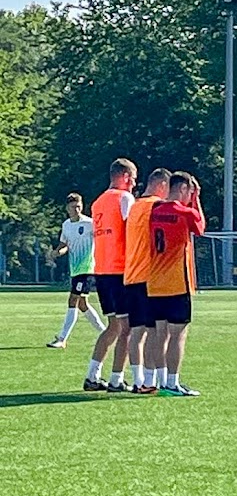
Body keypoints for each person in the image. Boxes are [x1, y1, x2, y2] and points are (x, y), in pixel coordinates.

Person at [147, 171, 206, 396]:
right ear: (183, 189)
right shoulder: (185, 212)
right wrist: (196, 200)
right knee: (178, 334)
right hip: (177, 283)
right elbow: (200, 228)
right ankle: (172, 382)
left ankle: (160, 380)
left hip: (154, 282)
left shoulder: (154, 211)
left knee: (159, 333)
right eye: (189, 192)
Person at [83, 158, 137, 392]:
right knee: (127, 327)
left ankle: (92, 375)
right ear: (125, 176)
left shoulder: (97, 203)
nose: (134, 183)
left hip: (102, 269)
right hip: (120, 269)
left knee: (113, 326)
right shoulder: (124, 198)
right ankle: (116, 379)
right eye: (133, 178)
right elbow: (133, 229)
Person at [123, 168, 171, 394]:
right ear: (162, 185)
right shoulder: (156, 206)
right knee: (153, 330)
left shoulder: (135, 206)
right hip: (147, 276)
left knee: (137, 330)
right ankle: (150, 381)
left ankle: (138, 379)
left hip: (131, 274)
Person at [46, 193, 106, 349]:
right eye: (73, 207)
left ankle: (62, 338)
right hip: (75, 269)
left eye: (79, 206)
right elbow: (64, 245)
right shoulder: (66, 225)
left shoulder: (90, 223)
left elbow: (102, 238)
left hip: (87, 268)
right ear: (67, 208)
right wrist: (57, 253)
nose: (77, 209)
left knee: (73, 300)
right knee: (82, 304)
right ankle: (104, 332)